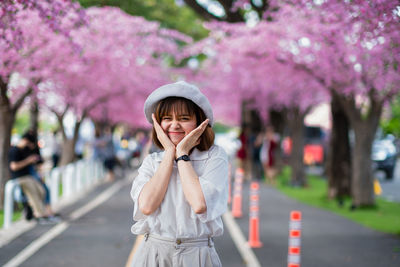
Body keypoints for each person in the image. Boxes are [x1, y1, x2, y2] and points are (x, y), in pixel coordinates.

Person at [130, 81, 228, 267]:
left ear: (200, 123)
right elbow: (147, 206)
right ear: (158, 124)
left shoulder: (214, 158)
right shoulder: (152, 162)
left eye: (183, 118)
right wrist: (169, 153)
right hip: (153, 254)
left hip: (197, 255)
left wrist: (182, 154)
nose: (174, 125)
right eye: (167, 118)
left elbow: (200, 204)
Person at [8, 131, 58, 224]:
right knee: (33, 194)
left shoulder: (24, 150)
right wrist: (28, 160)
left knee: (42, 191)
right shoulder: (14, 150)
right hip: (20, 177)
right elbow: (14, 166)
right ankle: (39, 215)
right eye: (30, 143)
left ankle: (41, 212)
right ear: (26, 141)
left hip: (28, 176)